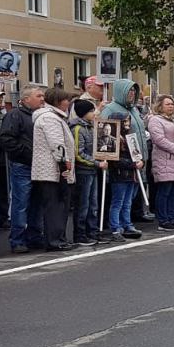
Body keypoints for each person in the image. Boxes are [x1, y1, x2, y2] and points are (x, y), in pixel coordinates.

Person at [0, 86, 46, 252]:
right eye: (38, 95)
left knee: (37, 203)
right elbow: (6, 138)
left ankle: (34, 236)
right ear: (26, 99)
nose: (42, 99)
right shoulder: (15, 115)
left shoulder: (43, 115)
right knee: (21, 203)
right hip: (22, 165)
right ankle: (17, 239)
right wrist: (26, 153)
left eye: (43, 96)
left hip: (40, 166)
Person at [31, 88, 75, 251]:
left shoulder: (55, 117)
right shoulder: (50, 118)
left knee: (59, 205)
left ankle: (59, 238)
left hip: (54, 169)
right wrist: (64, 162)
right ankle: (54, 240)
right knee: (55, 206)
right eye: (65, 100)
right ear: (58, 101)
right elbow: (57, 143)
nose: (68, 103)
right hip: (52, 171)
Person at [101, 80, 145, 241]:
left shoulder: (133, 112)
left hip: (132, 171)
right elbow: (115, 156)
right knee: (118, 200)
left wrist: (141, 160)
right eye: (129, 91)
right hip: (120, 172)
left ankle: (127, 224)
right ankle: (115, 226)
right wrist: (133, 163)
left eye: (134, 91)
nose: (127, 125)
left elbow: (135, 150)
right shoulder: (111, 114)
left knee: (128, 200)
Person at [148, 96, 174, 231]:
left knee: (173, 192)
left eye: (172, 104)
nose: (171, 106)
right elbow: (159, 140)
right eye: (167, 104)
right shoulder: (155, 120)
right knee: (164, 190)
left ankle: (172, 217)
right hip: (163, 159)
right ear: (160, 106)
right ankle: (163, 220)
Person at [70, 99, 106, 244]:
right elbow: (79, 154)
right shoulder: (78, 129)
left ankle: (93, 231)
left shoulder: (91, 127)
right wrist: (97, 163)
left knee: (93, 204)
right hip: (84, 171)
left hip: (92, 171)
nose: (94, 113)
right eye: (91, 111)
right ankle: (80, 234)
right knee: (83, 205)